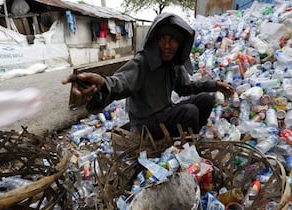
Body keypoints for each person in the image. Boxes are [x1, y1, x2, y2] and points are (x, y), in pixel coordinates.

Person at [62, 12, 234, 140]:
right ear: (155, 41)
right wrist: (102, 85)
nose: (167, 45)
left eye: (173, 40)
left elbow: (185, 88)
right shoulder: (142, 63)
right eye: (163, 39)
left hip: (166, 114)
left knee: (206, 99)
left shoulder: (173, 65)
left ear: (180, 44)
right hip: (145, 125)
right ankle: (183, 147)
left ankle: (187, 137)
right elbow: (120, 83)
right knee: (189, 112)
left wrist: (215, 85)